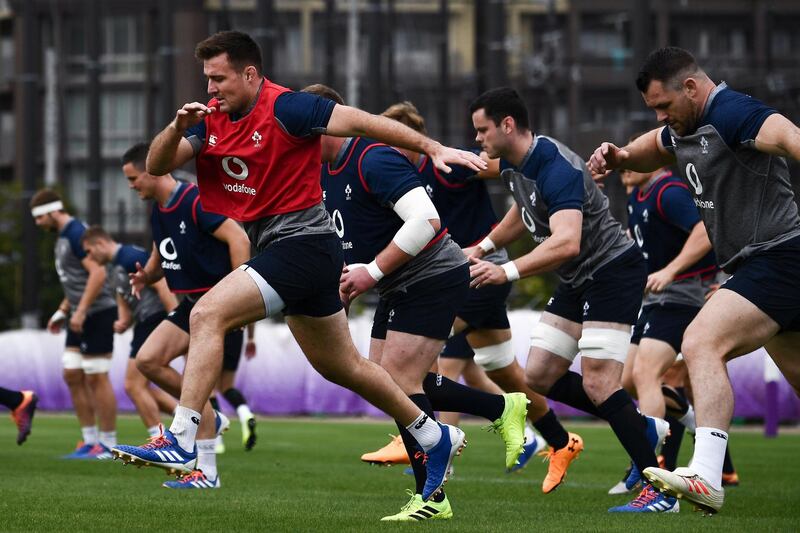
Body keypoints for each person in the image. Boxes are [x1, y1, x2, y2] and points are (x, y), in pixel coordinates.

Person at [114, 31, 486, 509]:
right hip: (287, 250)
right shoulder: (210, 123)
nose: (211, 89)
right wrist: (175, 126)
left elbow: (364, 122)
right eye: (207, 79)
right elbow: (159, 162)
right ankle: (432, 433)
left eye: (219, 78)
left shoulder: (288, 108)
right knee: (345, 367)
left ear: (250, 74)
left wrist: (433, 148)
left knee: (206, 315)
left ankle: (183, 435)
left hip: (304, 246)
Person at [588, 46, 800, 514]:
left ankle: (706, 474)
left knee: (701, 341)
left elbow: (785, 133)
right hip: (766, 267)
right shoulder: (683, 127)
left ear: (691, 87)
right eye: (654, 110)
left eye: (665, 105)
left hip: (780, 257)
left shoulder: (730, 111)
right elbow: (653, 145)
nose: (662, 116)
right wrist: (620, 155)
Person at [306, 85, 527, 521]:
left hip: (434, 276)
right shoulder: (324, 171)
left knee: (401, 380)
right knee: (383, 380)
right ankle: (502, 406)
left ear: (323, 125)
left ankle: (433, 497)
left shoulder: (372, 157)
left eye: (297, 134)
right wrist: (349, 284)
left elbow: (427, 221)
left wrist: (370, 272)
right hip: (398, 283)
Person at [467, 87, 674, 513]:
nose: (477, 139)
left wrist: (504, 270)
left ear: (508, 125)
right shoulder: (513, 163)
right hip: (579, 279)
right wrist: (484, 247)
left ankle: (661, 493)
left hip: (612, 271)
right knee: (538, 375)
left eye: (481, 129)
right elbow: (521, 212)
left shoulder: (554, 165)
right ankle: (638, 425)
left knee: (600, 382)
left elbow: (566, 243)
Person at [370, 100, 583, 493]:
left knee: (426, 361)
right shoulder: (390, 178)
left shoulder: (447, 164)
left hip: (477, 274)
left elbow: (499, 165)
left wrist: (553, 181)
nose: (381, 146)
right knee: (506, 373)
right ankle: (560, 440)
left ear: (412, 141)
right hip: (458, 277)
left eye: (390, 139)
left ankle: (434, 453)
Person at [110, 142, 249, 489]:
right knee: (147, 360)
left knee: (191, 379)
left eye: (132, 178)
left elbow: (238, 238)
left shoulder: (196, 200)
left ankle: (207, 472)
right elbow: (162, 254)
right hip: (190, 306)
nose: (131, 186)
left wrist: (238, 291)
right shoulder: (160, 210)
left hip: (218, 306)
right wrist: (146, 276)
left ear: (151, 169)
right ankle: (209, 417)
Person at [30, 189, 118, 459]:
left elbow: (98, 273)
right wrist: (62, 310)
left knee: (96, 375)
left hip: (98, 312)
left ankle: (107, 444)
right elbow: (75, 282)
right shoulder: (63, 236)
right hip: (79, 313)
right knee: (71, 373)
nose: (37, 223)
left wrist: (79, 312)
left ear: (52, 211)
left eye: (39, 218)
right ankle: (89, 441)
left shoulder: (76, 232)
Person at [80, 225, 179, 437]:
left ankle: (160, 438)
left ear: (100, 243)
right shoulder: (113, 266)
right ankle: (199, 418)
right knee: (142, 386)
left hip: (155, 319)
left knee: (133, 385)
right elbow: (123, 297)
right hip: (145, 322)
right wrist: (123, 320)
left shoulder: (129, 256)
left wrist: (175, 318)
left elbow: (161, 285)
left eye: (88, 251)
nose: (88, 257)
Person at [209, 322, 258, 453]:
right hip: (237, 332)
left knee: (209, 389)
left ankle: (216, 440)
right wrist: (251, 338)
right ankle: (246, 415)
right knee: (227, 387)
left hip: (216, 329)